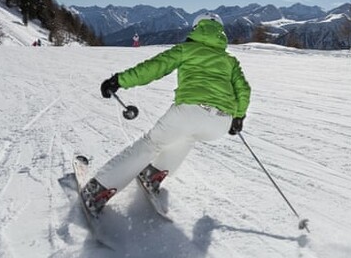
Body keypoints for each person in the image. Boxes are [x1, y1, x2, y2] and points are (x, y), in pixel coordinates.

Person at [81, 12, 251, 216]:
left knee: (151, 144)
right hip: (221, 123)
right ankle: (153, 175)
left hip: (191, 111)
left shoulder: (187, 49)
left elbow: (154, 67)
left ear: (197, 28)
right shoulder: (229, 61)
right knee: (188, 137)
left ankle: (98, 190)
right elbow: (243, 90)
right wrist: (238, 117)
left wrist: (119, 81)